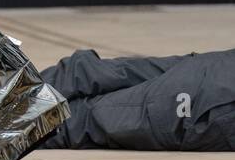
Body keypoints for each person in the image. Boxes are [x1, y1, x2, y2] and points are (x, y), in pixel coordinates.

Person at [39, 48, 235, 150]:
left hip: (217, 69)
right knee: (86, 119)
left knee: (110, 72)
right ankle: (14, 112)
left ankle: (16, 93)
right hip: (214, 99)